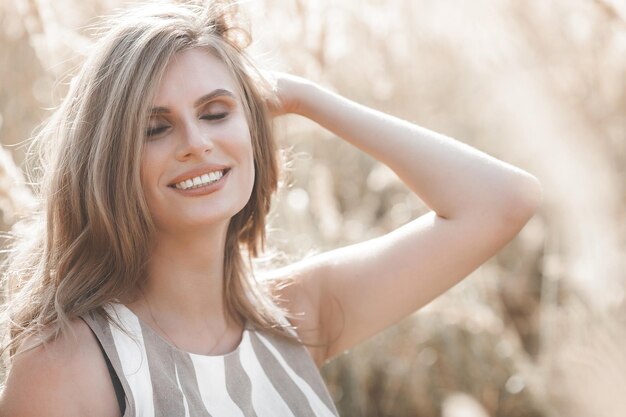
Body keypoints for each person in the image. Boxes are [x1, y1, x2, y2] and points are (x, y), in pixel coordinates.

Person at [0, 1, 542, 416]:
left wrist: (305, 96)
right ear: (108, 160)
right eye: (155, 128)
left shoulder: (294, 317)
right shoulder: (67, 365)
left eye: (216, 112)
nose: (196, 143)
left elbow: (502, 201)